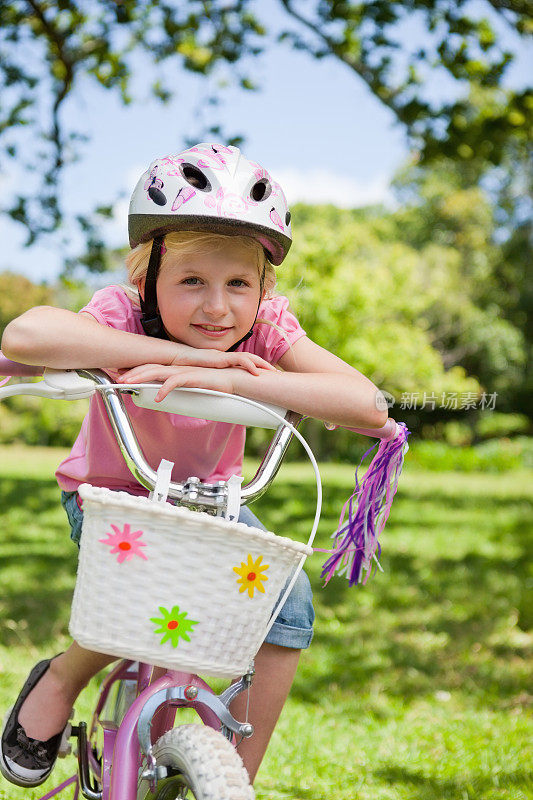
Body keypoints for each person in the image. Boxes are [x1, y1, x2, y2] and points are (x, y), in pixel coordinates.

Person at [0, 142, 388, 789]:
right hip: (113, 492)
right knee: (149, 580)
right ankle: (64, 676)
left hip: (214, 501)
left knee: (285, 603)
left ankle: (233, 776)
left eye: (238, 284)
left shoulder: (265, 330)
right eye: (191, 282)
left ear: (263, 290)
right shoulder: (122, 313)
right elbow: (25, 339)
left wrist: (244, 383)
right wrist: (207, 362)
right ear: (146, 277)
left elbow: (367, 405)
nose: (216, 308)